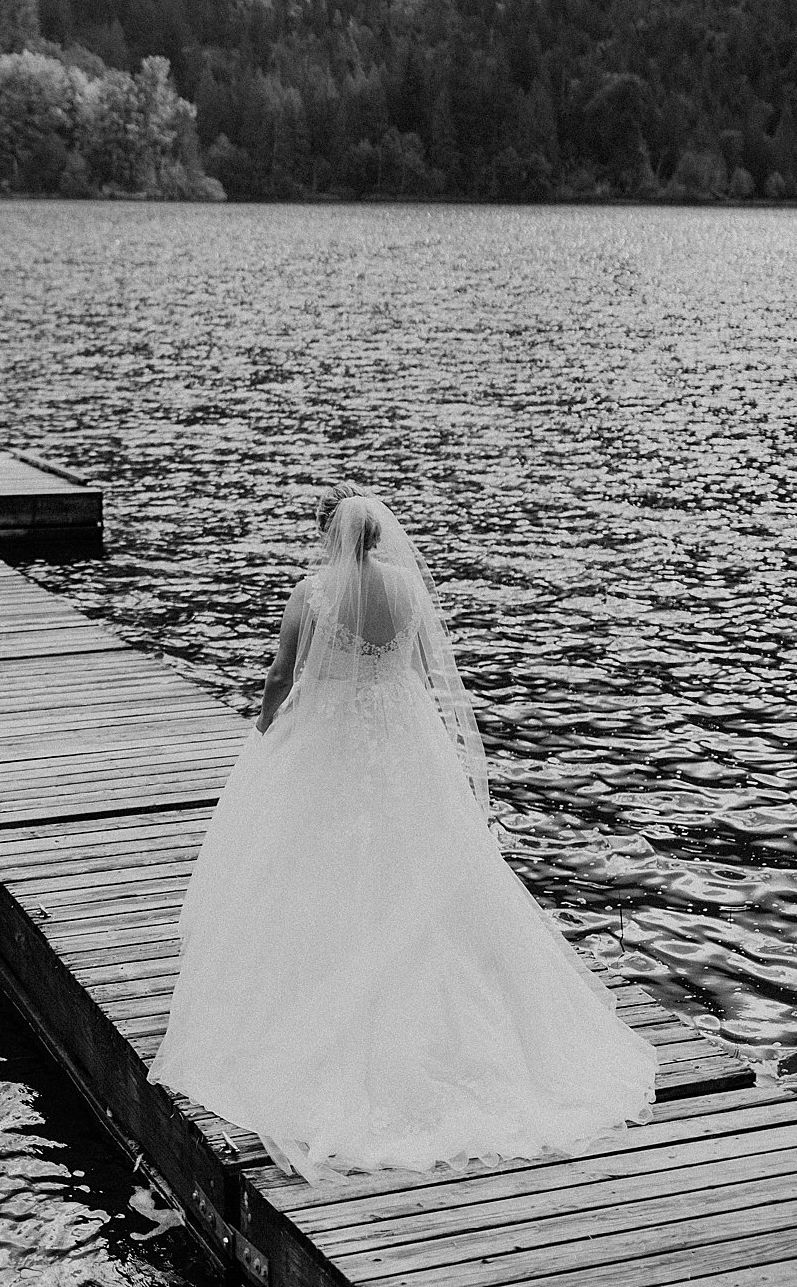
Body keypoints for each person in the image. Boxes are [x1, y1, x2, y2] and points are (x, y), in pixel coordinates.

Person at [150, 488, 656, 1180]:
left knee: (314, 862)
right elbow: (421, 673)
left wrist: (268, 731)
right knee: (416, 864)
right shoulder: (409, 589)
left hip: (330, 742)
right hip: (400, 743)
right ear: (376, 536)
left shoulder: (313, 592)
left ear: (329, 535)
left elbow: (281, 674)